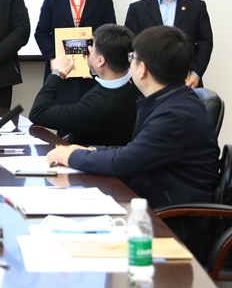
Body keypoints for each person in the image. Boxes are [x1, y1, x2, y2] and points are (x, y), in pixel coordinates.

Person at [47, 26, 219, 261]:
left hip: (172, 226)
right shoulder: (171, 101)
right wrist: (90, 150)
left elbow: (124, 162)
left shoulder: (175, 115)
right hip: (153, 208)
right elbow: (136, 152)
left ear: (142, 69)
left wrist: (71, 156)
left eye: (132, 58)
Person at [29, 24, 140, 146]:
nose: (88, 48)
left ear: (101, 61)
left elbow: (38, 112)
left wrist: (58, 73)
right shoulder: (139, 86)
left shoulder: (95, 107)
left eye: (92, 46)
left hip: (83, 154)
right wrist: (94, 65)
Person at [34, 0, 116, 105]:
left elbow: (110, 32)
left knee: (92, 113)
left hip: (93, 70)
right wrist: (52, 59)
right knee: (61, 114)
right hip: (61, 69)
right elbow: (41, 32)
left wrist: (98, 60)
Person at [124, 0, 212, 88]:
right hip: (149, 78)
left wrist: (196, 73)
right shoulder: (137, 9)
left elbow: (205, 42)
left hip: (187, 79)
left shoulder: (196, 7)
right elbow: (130, 44)